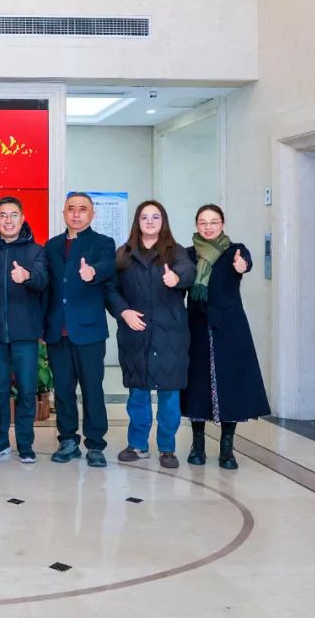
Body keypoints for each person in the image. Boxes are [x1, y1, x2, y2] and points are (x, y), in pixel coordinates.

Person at [105, 201, 196, 469]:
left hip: (170, 336)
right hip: (136, 334)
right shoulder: (123, 254)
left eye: (156, 217)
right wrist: (124, 312)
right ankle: (138, 445)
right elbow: (110, 289)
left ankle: (167, 448)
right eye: (144, 217)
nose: (150, 221)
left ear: (163, 221)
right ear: (137, 222)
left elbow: (188, 270)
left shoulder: (175, 252)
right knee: (138, 395)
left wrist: (176, 278)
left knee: (169, 397)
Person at [182, 204, 270, 470]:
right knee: (196, 384)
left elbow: (247, 263)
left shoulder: (235, 250)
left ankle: (227, 449)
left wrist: (244, 266)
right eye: (203, 222)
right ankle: (197, 445)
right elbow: (180, 281)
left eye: (214, 222)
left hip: (230, 327)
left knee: (231, 384)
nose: (208, 226)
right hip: (196, 325)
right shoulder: (188, 254)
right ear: (196, 225)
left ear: (222, 224)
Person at [43, 192, 116, 468]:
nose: (76, 214)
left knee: (92, 389)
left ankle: (95, 444)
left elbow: (109, 266)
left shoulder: (103, 243)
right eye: (71, 208)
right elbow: (47, 288)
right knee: (63, 390)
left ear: (92, 214)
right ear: (63, 213)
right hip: (57, 331)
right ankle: (68, 440)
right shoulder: (52, 246)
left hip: (89, 332)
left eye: (82, 209)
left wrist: (93, 272)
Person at [0, 196, 48, 463]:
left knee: (27, 391)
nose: (8, 220)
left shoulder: (36, 251)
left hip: (25, 335)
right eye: (3, 215)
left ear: (22, 218)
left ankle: (26, 444)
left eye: (13, 215)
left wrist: (27, 276)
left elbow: (42, 280)